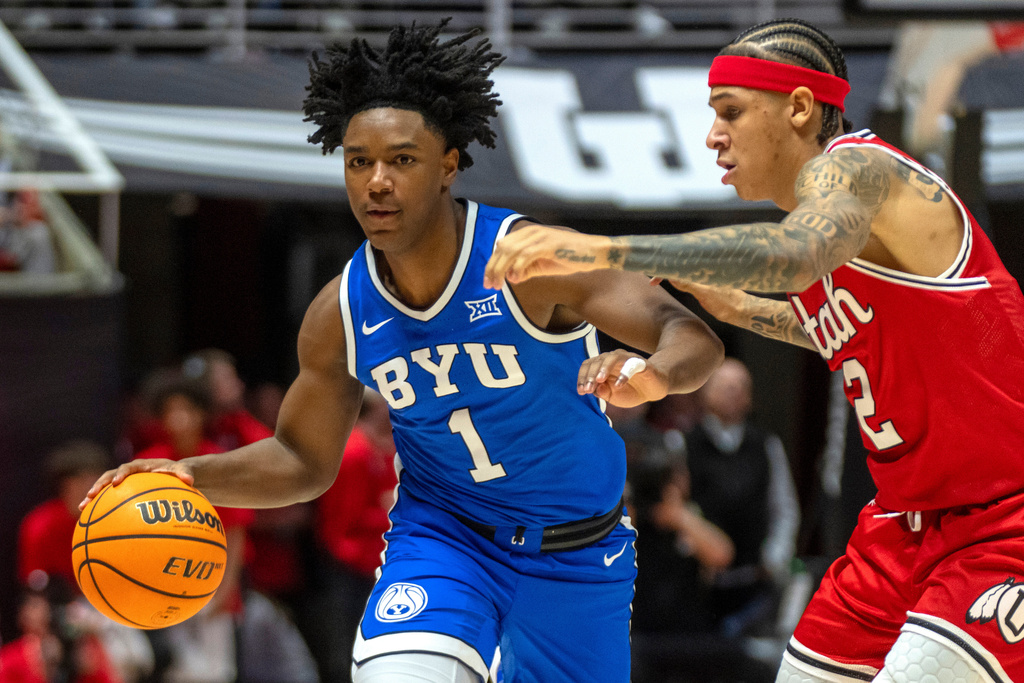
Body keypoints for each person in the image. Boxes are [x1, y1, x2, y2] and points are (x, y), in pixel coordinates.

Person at [82, 20, 724, 683]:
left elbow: (689, 334)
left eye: (402, 160)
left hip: (578, 553)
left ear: (449, 163)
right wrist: (190, 474)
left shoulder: (533, 260)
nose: (376, 182)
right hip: (446, 542)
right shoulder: (340, 311)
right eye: (359, 161)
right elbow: (303, 457)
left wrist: (653, 377)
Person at [484, 18, 1024, 683]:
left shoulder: (859, 168)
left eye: (730, 112)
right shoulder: (830, 224)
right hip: (903, 524)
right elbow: (853, 332)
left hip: (1003, 517)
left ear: (798, 107)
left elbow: (795, 255)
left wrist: (600, 246)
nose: (712, 135)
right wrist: (740, 312)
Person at [684, 358, 800, 639]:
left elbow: (784, 509)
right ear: (704, 392)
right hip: (697, 590)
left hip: (753, 588)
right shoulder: (684, 444)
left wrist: (775, 558)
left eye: (741, 387)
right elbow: (677, 508)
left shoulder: (766, 445)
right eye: (725, 386)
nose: (733, 393)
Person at [302, 389, 397, 683]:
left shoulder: (398, 447)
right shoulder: (354, 452)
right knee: (348, 655)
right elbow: (339, 525)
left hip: (387, 566)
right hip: (353, 571)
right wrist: (391, 511)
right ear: (375, 406)